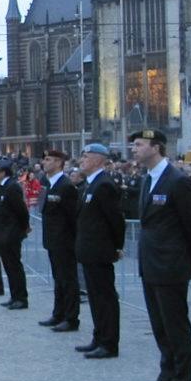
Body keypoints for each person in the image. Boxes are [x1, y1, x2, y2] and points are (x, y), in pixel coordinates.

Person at [131, 129, 191, 381]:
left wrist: (190, 259)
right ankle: (166, 376)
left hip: (171, 265)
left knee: (176, 328)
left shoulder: (177, 181)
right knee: (160, 327)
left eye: (139, 145)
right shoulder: (148, 179)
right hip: (151, 264)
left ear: (156, 148)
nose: (134, 149)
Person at [74, 143, 125, 359]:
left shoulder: (104, 185)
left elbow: (116, 220)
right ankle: (99, 336)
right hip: (89, 250)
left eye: (85, 157)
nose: (81, 160)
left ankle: (109, 342)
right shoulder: (90, 185)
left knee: (105, 298)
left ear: (97, 160)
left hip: (100, 250)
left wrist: (116, 247)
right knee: (95, 297)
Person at [37, 150, 80, 332]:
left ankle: (71, 318)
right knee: (58, 279)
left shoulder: (66, 186)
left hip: (65, 242)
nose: (44, 163)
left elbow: (73, 217)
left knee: (68, 280)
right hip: (53, 241)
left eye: (48, 160)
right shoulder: (50, 184)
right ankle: (58, 313)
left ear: (58, 163)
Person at [0, 159, 30, 310]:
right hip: (3, 232)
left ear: (3, 172)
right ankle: (14, 295)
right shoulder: (3, 186)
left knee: (15, 266)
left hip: (11, 232)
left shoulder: (12, 187)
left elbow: (21, 211)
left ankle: (21, 298)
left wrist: (22, 229)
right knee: (8, 266)